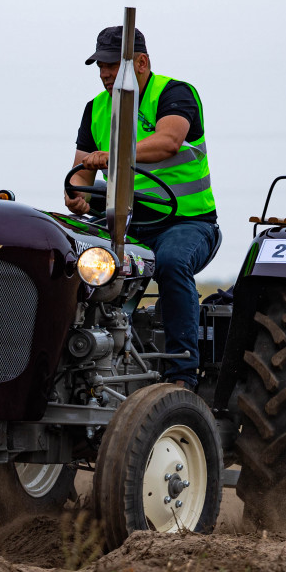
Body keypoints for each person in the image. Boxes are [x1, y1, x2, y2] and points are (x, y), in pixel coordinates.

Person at [65, 25, 220, 390]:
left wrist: (112, 155)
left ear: (141, 63)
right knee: (71, 259)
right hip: (126, 224)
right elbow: (79, 176)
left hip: (187, 223)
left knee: (171, 263)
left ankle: (182, 375)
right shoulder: (95, 109)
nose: (104, 73)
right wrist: (76, 197)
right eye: (100, 65)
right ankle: (80, 364)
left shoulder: (175, 94)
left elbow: (169, 141)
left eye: (111, 65)